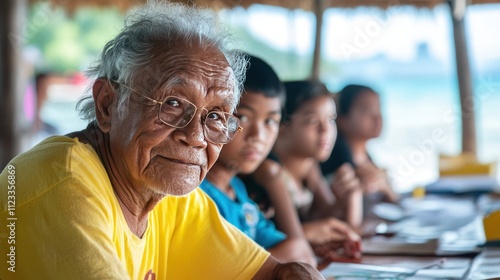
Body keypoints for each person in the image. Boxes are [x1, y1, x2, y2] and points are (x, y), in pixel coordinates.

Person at [0, 2, 323, 279]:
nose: (195, 137)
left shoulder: (170, 197)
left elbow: (272, 275)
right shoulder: (64, 185)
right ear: (108, 105)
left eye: (215, 116)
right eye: (172, 104)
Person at [200, 54, 317, 267]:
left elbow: (300, 251)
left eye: (270, 121)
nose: (258, 135)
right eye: (243, 116)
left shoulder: (237, 190)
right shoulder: (198, 197)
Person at [244, 80, 362, 262]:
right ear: (281, 127)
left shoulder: (310, 167)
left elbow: (335, 223)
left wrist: (352, 196)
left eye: (331, 119)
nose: (325, 130)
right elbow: (292, 243)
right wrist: (309, 232)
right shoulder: (268, 171)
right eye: (312, 121)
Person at [320, 84, 399, 206]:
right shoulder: (335, 169)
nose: (377, 117)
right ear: (341, 119)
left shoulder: (368, 159)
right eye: (366, 109)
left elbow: (395, 200)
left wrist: (385, 188)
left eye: (378, 108)